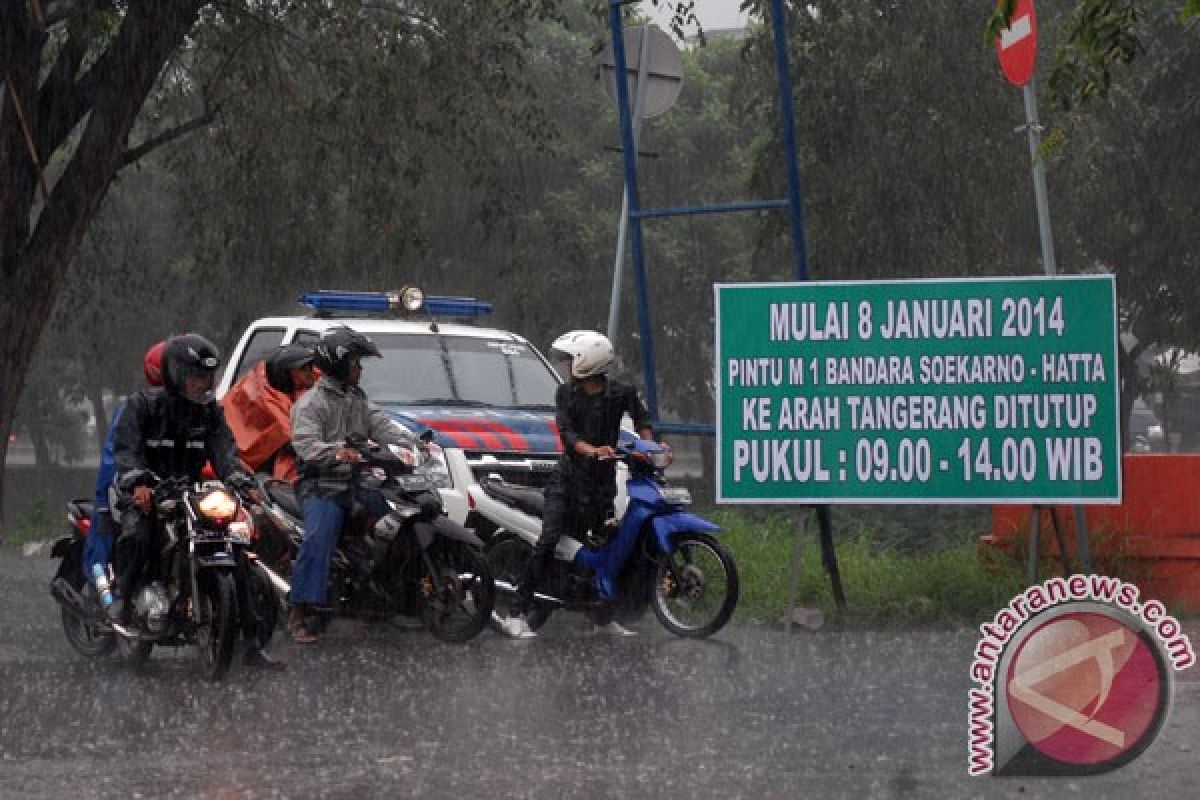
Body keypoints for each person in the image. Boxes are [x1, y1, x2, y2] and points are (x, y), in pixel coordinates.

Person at [111, 333, 283, 669]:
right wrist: (138, 483)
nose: (202, 384)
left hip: (190, 493)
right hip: (147, 493)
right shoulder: (142, 406)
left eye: (207, 377)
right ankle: (124, 600)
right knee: (139, 535)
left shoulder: (209, 414)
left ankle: (251, 643)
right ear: (175, 374)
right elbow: (127, 451)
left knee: (238, 547)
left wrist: (240, 480)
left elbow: (225, 453)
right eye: (195, 376)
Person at [499, 330, 656, 639]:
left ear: (586, 361)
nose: (567, 366)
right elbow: (568, 436)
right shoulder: (566, 394)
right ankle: (516, 612)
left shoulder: (622, 393)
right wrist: (593, 450)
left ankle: (601, 617)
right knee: (549, 540)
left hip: (601, 485)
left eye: (571, 360)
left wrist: (651, 449)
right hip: (567, 482)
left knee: (600, 547)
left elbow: (644, 423)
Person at [287, 326, 419, 644]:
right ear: (339, 364)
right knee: (319, 538)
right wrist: (336, 453)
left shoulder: (356, 398)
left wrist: (415, 442)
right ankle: (300, 610)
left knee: (399, 516)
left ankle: (396, 594)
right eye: (356, 363)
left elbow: (382, 425)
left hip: (357, 482)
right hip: (322, 484)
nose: (360, 369)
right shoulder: (310, 404)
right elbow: (305, 444)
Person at [82, 340, 166, 589]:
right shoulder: (137, 407)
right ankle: (122, 594)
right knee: (133, 533)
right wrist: (132, 481)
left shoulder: (197, 411)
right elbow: (118, 454)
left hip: (170, 489)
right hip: (134, 487)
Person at [222, 343, 317, 482]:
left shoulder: (309, 388)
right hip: (246, 467)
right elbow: (293, 436)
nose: (310, 372)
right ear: (286, 373)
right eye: (303, 368)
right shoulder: (267, 396)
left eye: (310, 367)